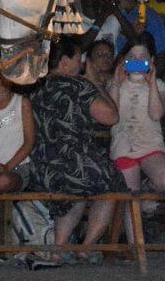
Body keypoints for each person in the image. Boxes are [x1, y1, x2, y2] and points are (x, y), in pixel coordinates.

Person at [29, 37, 124, 262]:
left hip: (43, 168)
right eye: (77, 58)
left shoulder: (35, 88)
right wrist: (94, 82)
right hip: (72, 163)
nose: (81, 63)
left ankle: (59, 247)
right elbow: (111, 117)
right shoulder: (77, 86)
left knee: (80, 184)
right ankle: (87, 245)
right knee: (112, 182)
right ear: (63, 61)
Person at [107, 36, 165, 241]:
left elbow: (156, 114)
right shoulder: (114, 83)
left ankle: (146, 191)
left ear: (152, 60)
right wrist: (116, 85)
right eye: (132, 57)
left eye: (143, 57)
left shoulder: (160, 85)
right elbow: (112, 116)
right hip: (124, 145)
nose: (137, 61)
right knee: (130, 195)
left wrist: (152, 82)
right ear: (123, 60)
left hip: (150, 144)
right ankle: (136, 246)